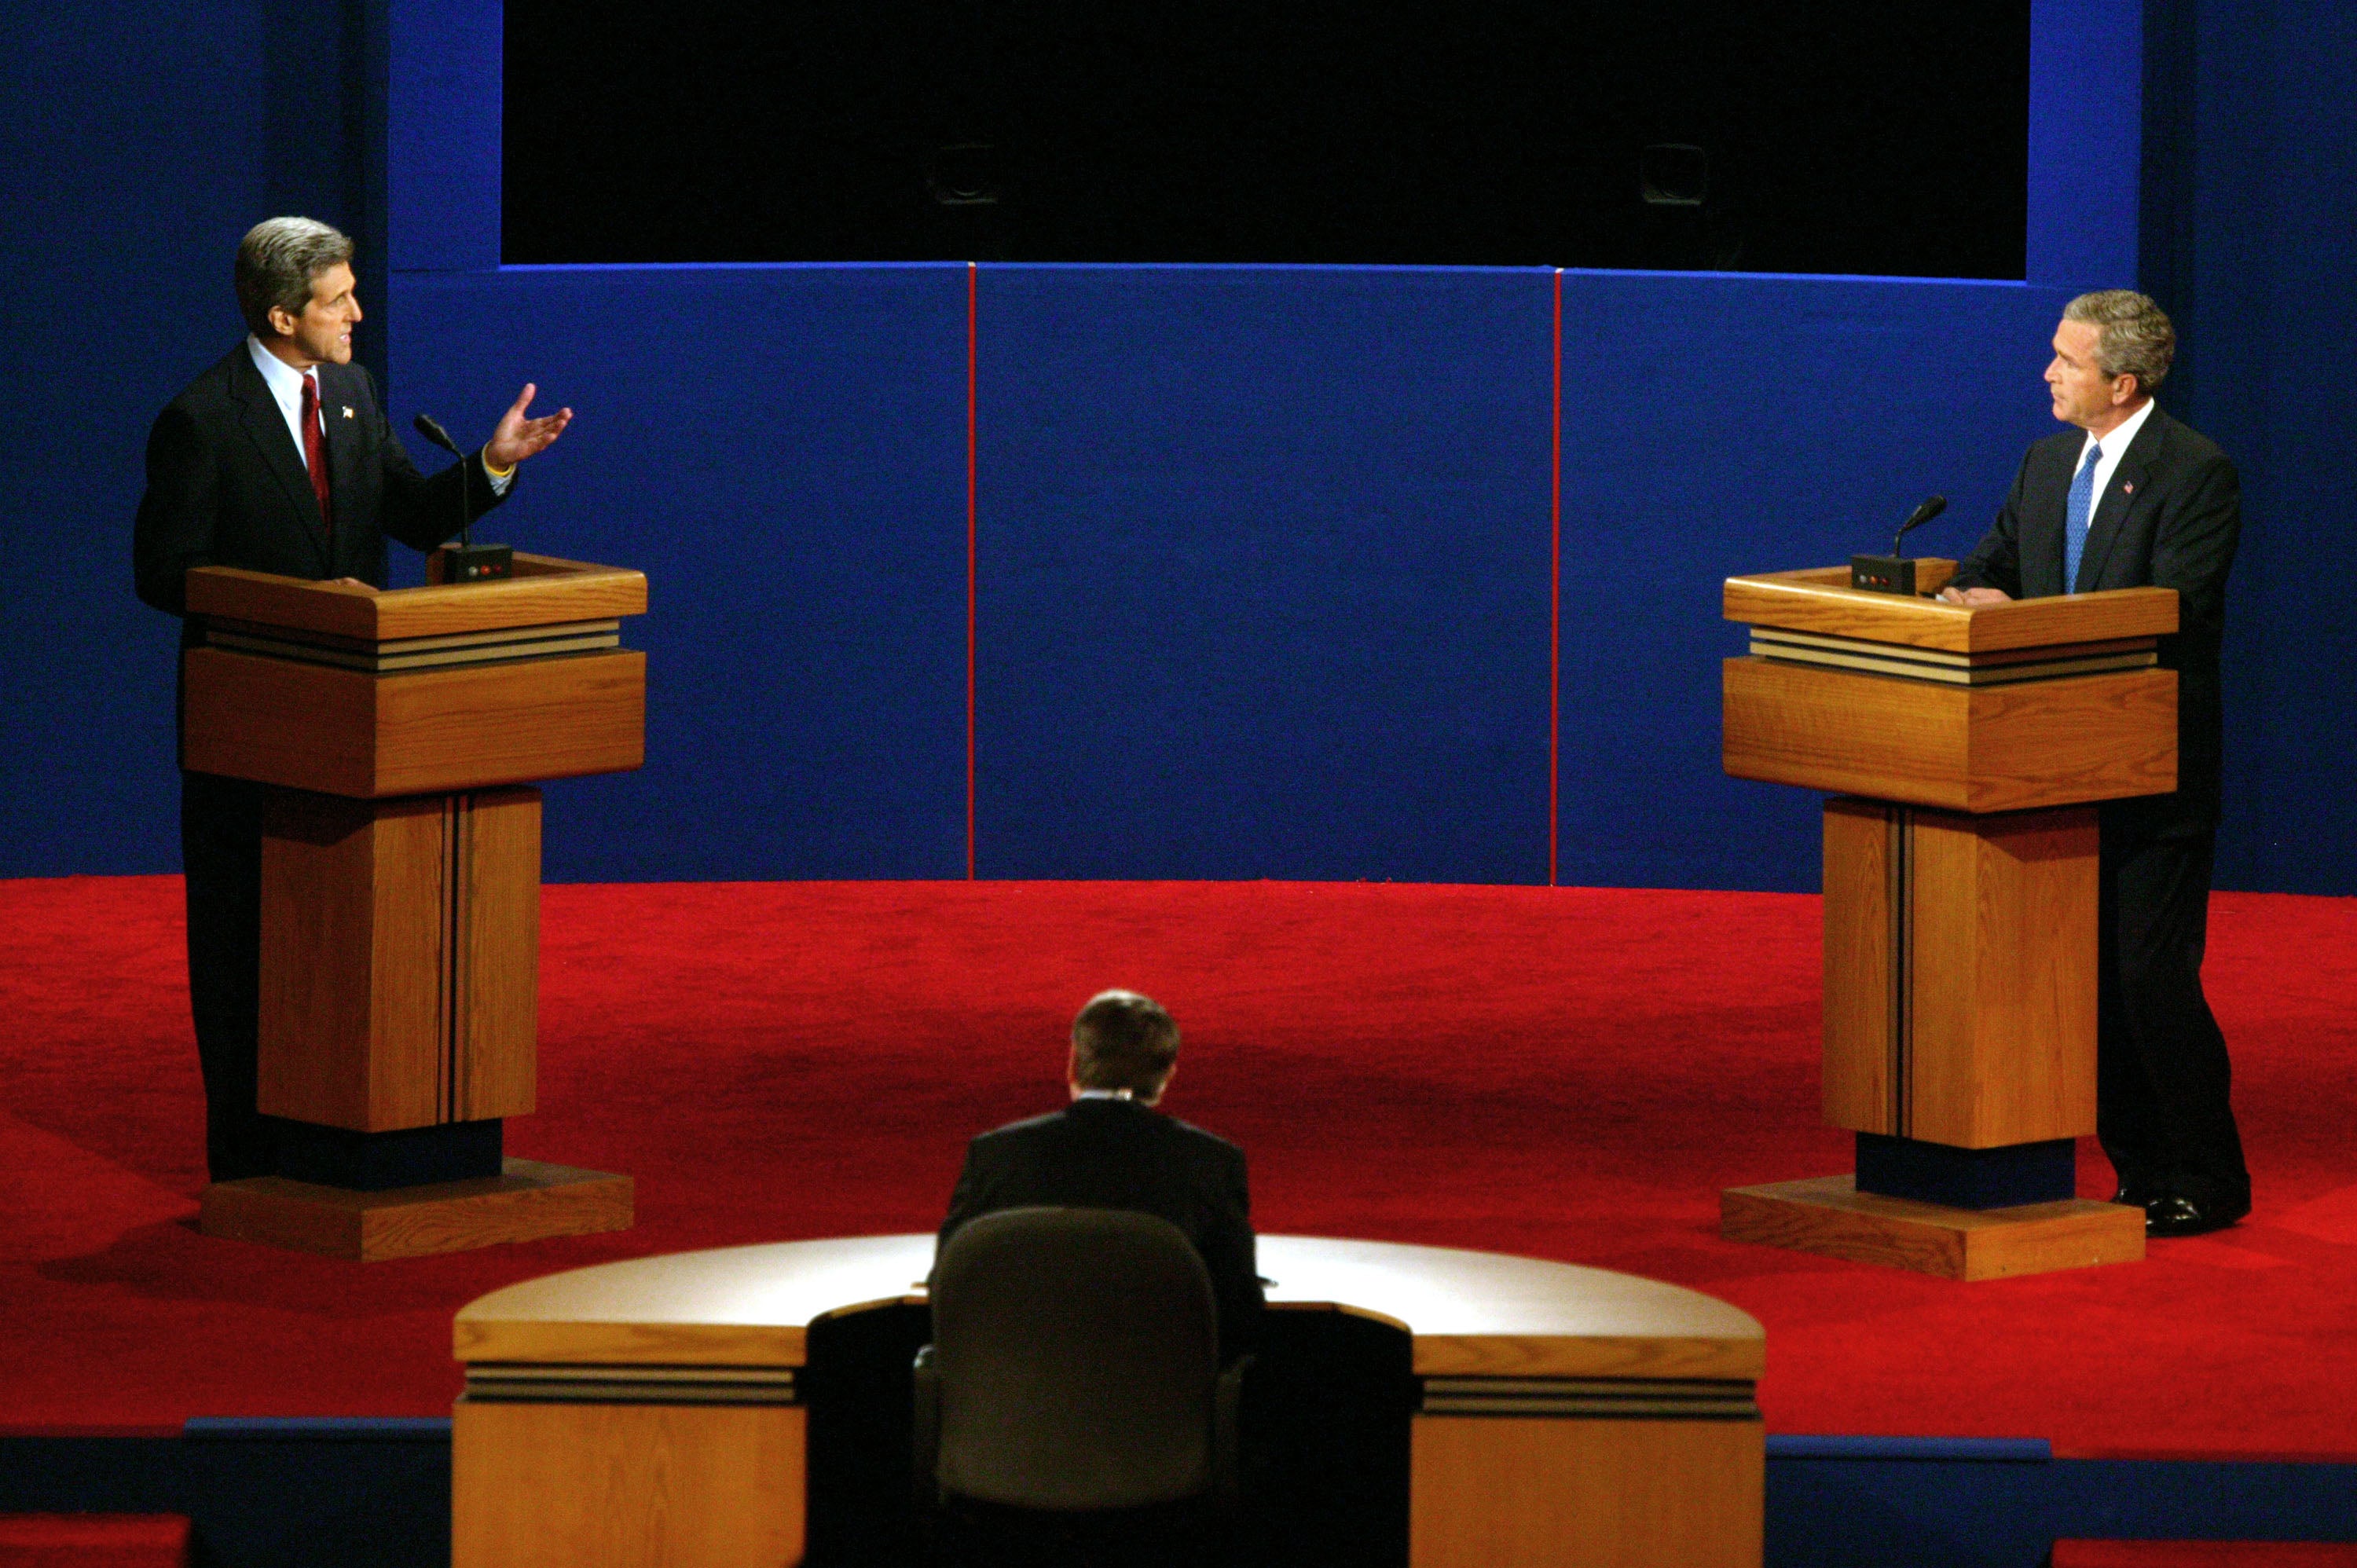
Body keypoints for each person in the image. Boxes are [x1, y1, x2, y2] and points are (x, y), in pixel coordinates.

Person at [133, 216, 573, 1183]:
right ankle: (249, 1165)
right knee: (245, 948)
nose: (358, 315)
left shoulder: (355, 395)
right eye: (338, 300)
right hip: (252, 727)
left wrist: (493, 465)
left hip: (361, 725)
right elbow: (164, 573)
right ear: (283, 313)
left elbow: (409, 514)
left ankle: (343, 1142)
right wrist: (302, 608)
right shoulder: (202, 418)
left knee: (344, 944)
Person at [1940, 289, 2248, 1237]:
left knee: (2149, 977)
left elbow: (2173, 606)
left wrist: (2021, 620)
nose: (2048, 373)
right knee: (2089, 985)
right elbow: (1994, 564)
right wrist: (1954, 593)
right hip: (2053, 769)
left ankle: (2208, 1173)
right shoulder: (2046, 463)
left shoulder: (2195, 471)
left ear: (2123, 381)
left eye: (2067, 362)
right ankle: (2138, 1169)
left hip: (2152, 769)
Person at [940, 990, 1262, 1360]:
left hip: (1007, 1404)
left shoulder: (997, 1155)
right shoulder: (1213, 1163)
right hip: (1163, 1404)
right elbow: (1240, 1315)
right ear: (1167, 1074)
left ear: (1073, 1061)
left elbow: (948, 1289)